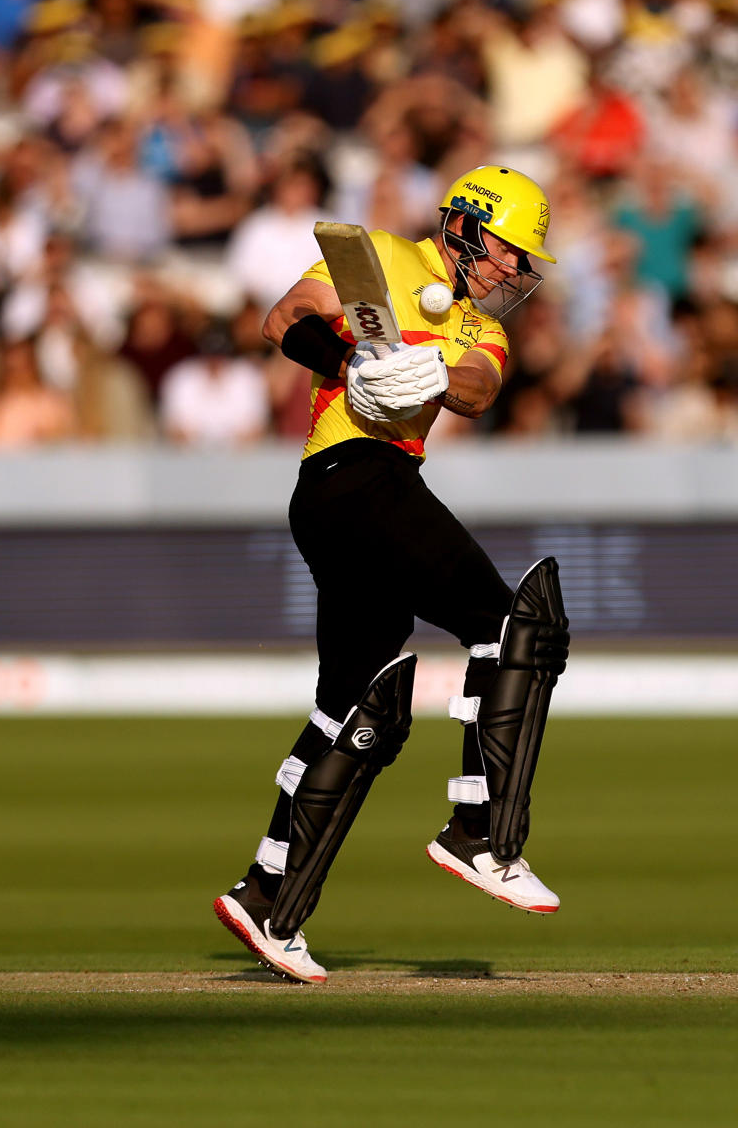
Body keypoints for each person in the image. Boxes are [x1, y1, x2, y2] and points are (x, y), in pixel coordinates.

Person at [213, 165, 570, 983]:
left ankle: (267, 895)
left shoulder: (480, 329)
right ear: (470, 228)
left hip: (360, 492)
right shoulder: (378, 256)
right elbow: (283, 319)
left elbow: (480, 390)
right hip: (351, 473)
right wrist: (349, 361)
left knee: (361, 701)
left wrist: (434, 371)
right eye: (512, 253)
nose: (518, 271)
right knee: (513, 625)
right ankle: (482, 832)